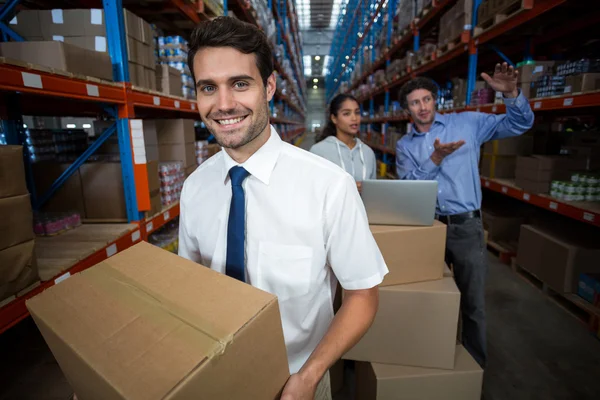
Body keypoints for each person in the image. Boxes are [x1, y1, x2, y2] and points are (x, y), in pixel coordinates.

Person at [178, 17, 388, 400]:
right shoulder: (194, 189)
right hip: (212, 377)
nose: (223, 105)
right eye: (208, 87)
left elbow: (362, 295)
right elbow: (188, 285)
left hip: (295, 382)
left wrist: (308, 377)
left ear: (269, 87)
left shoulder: (328, 187)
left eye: (240, 84)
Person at [395, 66, 534, 368]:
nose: (423, 107)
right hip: (429, 227)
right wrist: (435, 158)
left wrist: (510, 93)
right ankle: (430, 355)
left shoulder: (468, 123)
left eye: (427, 99)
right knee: (427, 296)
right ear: (407, 109)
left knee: (473, 303)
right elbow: (409, 189)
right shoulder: (405, 146)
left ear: (436, 100)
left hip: (466, 226)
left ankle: (474, 369)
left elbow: (520, 124)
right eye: (415, 102)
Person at [310, 94, 377, 192]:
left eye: (357, 113)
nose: (354, 118)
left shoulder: (368, 152)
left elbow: (374, 191)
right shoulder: (318, 151)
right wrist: (347, 188)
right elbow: (313, 189)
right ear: (334, 118)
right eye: (346, 114)